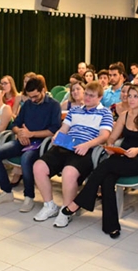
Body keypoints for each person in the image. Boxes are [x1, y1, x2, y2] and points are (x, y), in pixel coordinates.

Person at [60, 85, 138, 236]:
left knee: (105, 165)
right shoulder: (125, 115)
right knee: (106, 180)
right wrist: (110, 145)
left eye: (135, 96)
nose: (131, 99)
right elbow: (112, 136)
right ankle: (111, 226)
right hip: (121, 155)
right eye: (130, 95)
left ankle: (79, 202)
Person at [33, 81, 114, 225]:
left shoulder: (105, 112)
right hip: (67, 145)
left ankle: (66, 210)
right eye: (86, 94)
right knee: (38, 167)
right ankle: (49, 205)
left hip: (86, 149)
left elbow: (104, 136)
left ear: (100, 97)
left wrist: (87, 145)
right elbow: (64, 128)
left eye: (92, 96)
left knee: (69, 172)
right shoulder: (75, 110)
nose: (87, 98)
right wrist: (57, 135)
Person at [0, 77, 61, 212]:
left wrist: (31, 134)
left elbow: (54, 130)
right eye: (30, 97)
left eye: (35, 96)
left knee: (26, 158)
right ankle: (7, 192)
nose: (32, 100)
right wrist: (20, 133)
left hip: (41, 143)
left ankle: (29, 197)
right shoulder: (27, 104)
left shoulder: (53, 105)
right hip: (23, 140)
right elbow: (15, 124)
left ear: (43, 90)